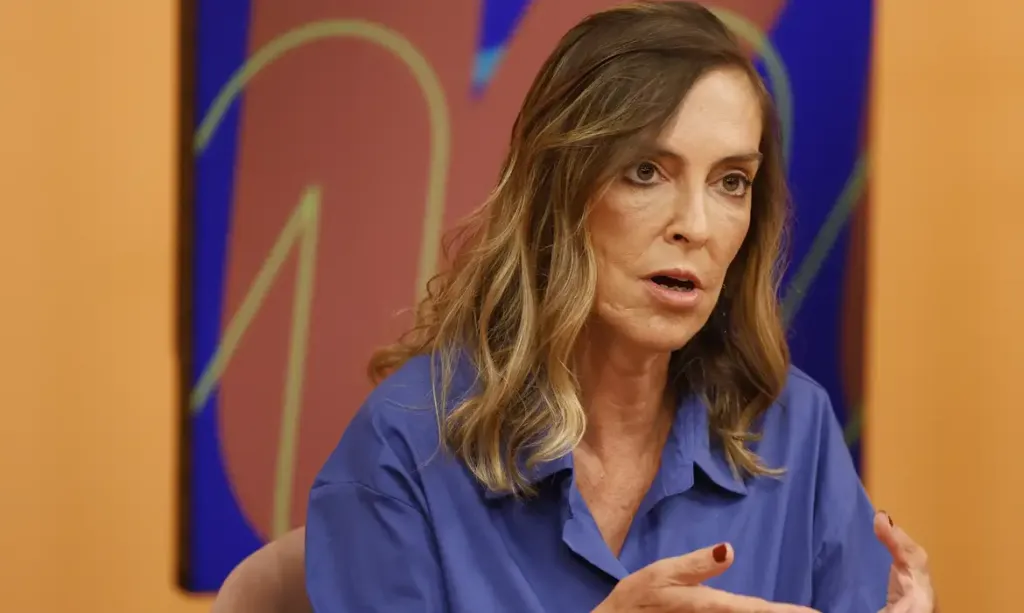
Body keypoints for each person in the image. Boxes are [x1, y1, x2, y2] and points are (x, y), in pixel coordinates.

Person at [305, 2, 937, 611]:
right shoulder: (405, 444)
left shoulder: (793, 428)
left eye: (731, 182)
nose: (696, 226)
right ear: (558, 190)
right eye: (646, 172)